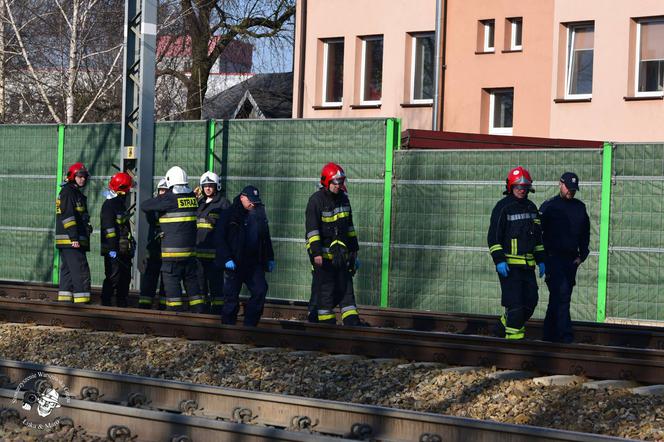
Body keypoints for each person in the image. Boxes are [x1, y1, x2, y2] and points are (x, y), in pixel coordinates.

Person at [487, 166, 546, 339]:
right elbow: (493, 238)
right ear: (510, 187)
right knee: (516, 307)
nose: (521, 189)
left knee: (530, 303)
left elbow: (537, 240)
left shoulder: (531, 207)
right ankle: (514, 346)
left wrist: (541, 260)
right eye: (517, 186)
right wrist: (499, 260)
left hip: (528, 267)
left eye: (524, 187)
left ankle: (502, 327)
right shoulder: (502, 207)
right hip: (509, 268)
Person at [305, 162, 361, 326]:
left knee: (346, 291)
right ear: (326, 182)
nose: (339, 185)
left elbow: (350, 228)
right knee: (325, 292)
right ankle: (325, 325)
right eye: (336, 182)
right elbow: (312, 231)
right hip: (323, 257)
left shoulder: (344, 200)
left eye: (341, 182)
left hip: (342, 256)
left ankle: (352, 321)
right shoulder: (316, 201)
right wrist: (316, 254)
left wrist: (354, 252)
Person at [141, 166, 204, 312]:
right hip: (189, 255)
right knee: (193, 290)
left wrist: (161, 197)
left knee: (173, 292)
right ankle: (199, 315)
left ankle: (176, 318)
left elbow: (145, 206)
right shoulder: (191, 199)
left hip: (172, 256)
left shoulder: (169, 199)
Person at [540, 172, 590, 343]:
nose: (571, 192)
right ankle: (565, 336)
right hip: (553, 258)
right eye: (568, 188)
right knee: (562, 296)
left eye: (574, 190)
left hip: (570, 260)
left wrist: (581, 256)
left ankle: (548, 336)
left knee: (559, 297)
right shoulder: (549, 206)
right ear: (560, 184)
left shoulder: (579, 207)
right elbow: (538, 233)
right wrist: (542, 259)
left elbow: (585, 233)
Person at [215, 185, 275, 326]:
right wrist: (227, 258)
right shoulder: (229, 214)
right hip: (234, 262)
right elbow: (219, 238)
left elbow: (265, 238)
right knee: (231, 298)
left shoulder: (259, 214)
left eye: (255, 201)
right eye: (250, 201)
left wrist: (270, 258)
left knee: (260, 290)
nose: (253, 204)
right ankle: (228, 327)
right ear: (242, 197)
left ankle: (250, 325)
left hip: (253, 263)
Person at [55, 162, 92, 304]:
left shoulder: (73, 192)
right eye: (80, 176)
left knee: (68, 272)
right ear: (72, 176)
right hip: (71, 240)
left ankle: (65, 302)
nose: (83, 179)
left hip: (69, 240)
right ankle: (82, 302)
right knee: (80, 270)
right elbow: (68, 216)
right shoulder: (68, 192)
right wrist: (74, 237)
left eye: (84, 177)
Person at [195, 171, 230, 314]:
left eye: (211, 185)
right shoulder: (199, 203)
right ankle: (202, 310)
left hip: (215, 254)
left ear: (217, 187)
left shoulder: (223, 204)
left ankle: (217, 310)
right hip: (199, 252)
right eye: (205, 186)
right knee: (200, 283)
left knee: (216, 284)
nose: (208, 188)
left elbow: (227, 228)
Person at [100, 172, 134, 307]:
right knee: (113, 277)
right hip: (113, 249)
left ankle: (122, 303)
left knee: (125, 277)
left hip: (124, 249)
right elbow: (109, 230)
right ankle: (106, 303)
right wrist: (112, 249)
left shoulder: (120, 204)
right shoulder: (110, 205)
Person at [138, 178, 169, 309]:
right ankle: (145, 305)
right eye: (161, 190)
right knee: (149, 276)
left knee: (166, 279)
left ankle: (163, 305)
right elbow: (147, 210)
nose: (163, 193)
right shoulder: (153, 206)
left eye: (166, 191)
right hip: (154, 248)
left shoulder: (172, 206)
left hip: (168, 249)